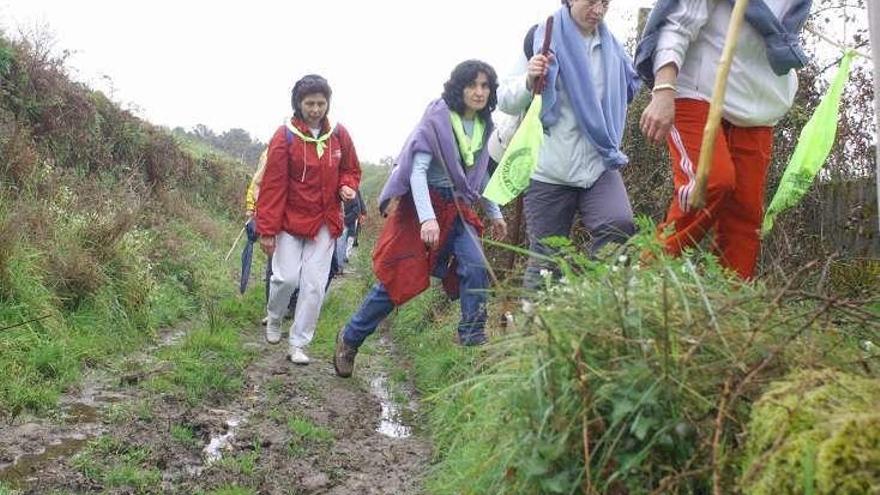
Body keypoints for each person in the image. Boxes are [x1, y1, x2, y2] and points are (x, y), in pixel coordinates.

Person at [333, 60, 508, 378]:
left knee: (476, 264)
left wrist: (494, 212)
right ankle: (350, 337)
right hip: (422, 207)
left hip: (459, 211)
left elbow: (479, 177)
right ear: (459, 87)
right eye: (473, 85)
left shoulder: (485, 125)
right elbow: (417, 171)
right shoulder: (438, 119)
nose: (479, 92)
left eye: (485, 86)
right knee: (400, 280)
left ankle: (471, 340)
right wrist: (428, 219)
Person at [636, 0, 811, 280]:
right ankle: (644, 282)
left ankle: (730, 304)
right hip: (698, 90)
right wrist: (663, 90)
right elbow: (678, 23)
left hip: (756, 104)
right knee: (710, 182)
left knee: (745, 214)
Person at [497, 0, 641, 291]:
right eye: (591, 2)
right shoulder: (541, 38)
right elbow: (504, 99)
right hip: (549, 169)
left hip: (600, 162)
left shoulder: (612, 50)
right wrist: (529, 79)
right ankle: (537, 331)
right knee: (547, 258)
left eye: (605, 4)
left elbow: (628, 89)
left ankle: (591, 306)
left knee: (619, 226)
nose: (598, 11)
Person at [256, 74, 361, 365]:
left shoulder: (339, 134)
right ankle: (275, 316)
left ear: (328, 104)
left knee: (314, 285)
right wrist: (267, 230)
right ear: (298, 104)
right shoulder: (285, 134)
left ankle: (299, 344)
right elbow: (273, 185)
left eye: (321, 103)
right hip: (290, 220)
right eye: (309, 103)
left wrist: (348, 185)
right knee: (286, 278)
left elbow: (351, 168)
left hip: (325, 222)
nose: (315, 109)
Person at [334, 188, 366, 275]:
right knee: (340, 243)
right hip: (338, 221)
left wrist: (345, 220)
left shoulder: (353, 191)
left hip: (345, 222)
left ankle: (339, 267)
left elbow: (357, 208)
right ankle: (337, 266)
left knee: (342, 243)